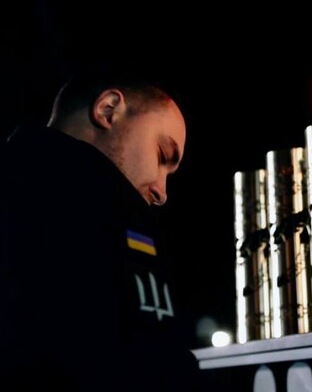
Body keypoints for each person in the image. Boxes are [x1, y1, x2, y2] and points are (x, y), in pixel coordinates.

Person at [0, 69, 201, 391]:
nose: (162, 192)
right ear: (108, 109)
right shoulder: (110, 203)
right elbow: (153, 357)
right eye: (163, 154)